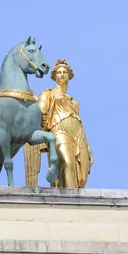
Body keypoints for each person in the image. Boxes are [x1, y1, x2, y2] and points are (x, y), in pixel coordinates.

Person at [37, 59, 93, 188]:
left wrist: (88, 148)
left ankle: (77, 199)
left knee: (83, 176)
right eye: (59, 72)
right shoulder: (48, 93)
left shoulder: (74, 103)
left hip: (78, 135)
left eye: (64, 72)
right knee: (67, 163)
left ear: (69, 76)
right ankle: (71, 201)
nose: (61, 74)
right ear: (54, 76)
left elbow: (80, 123)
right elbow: (39, 113)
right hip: (59, 131)